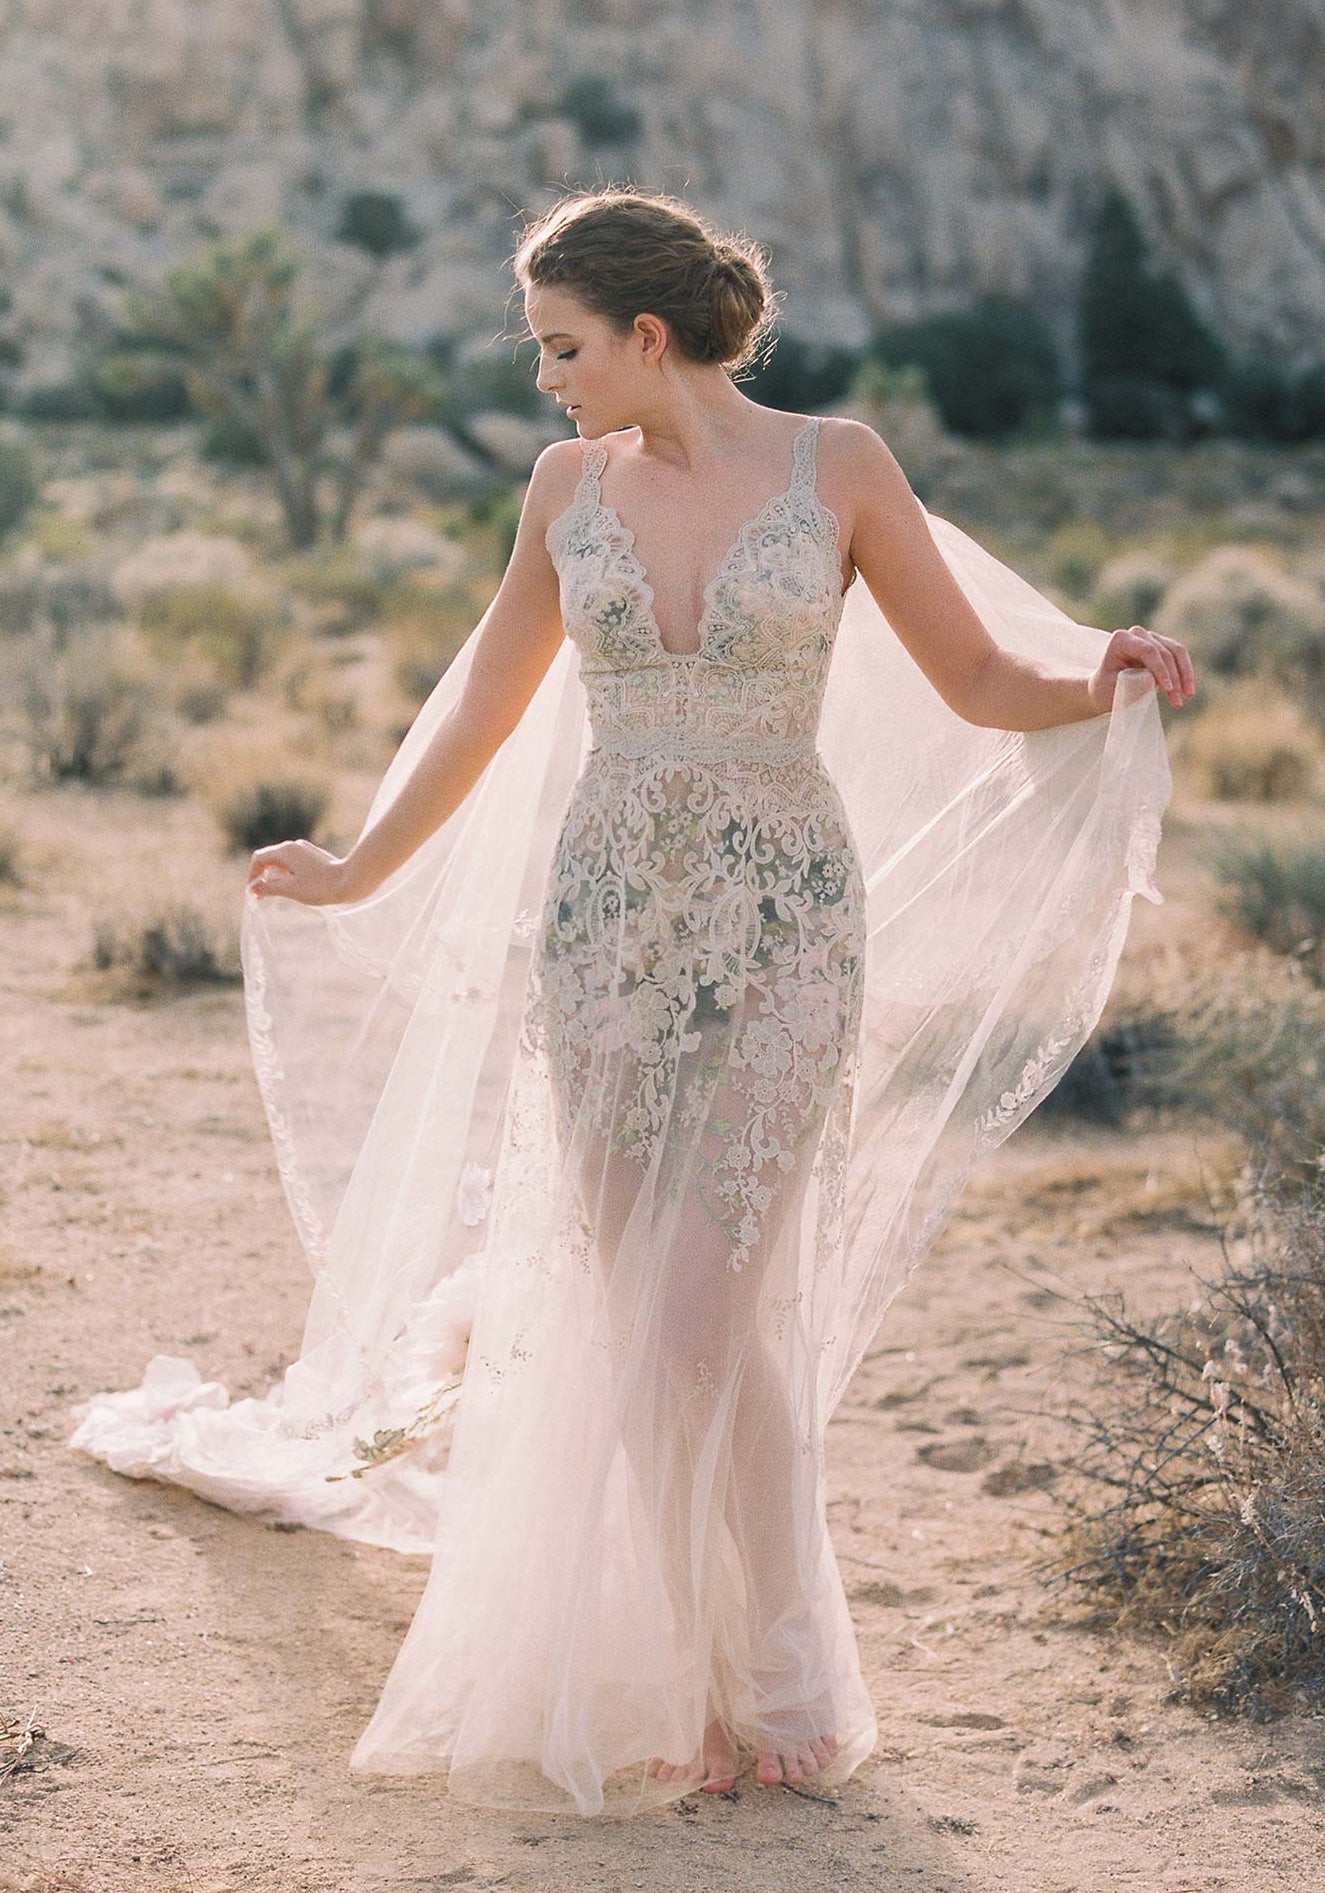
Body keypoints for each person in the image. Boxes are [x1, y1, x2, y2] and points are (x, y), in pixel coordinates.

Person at [79, 187, 1190, 1818]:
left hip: (785, 931)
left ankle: (763, 1676)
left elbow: (974, 679)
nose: (544, 379)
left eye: (561, 348)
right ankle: (710, 1685)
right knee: (662, 1322)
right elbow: (483, 696)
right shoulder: (561, 487)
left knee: (695, 1314)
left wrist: (1099, 667)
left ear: (646, 337)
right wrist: (361, 864)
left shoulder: (840, 468)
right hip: (601, 932)